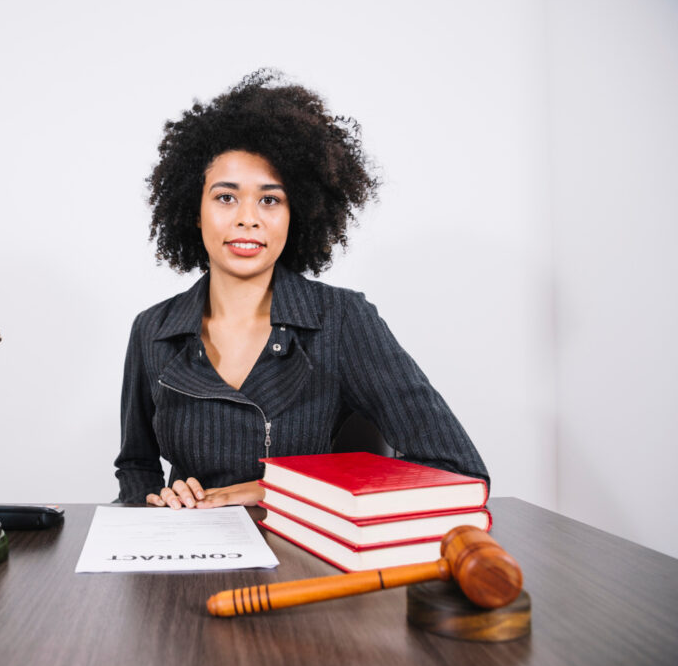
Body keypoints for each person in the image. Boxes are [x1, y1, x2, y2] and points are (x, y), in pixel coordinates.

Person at [114, 70, 489, 510]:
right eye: (225, 197)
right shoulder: (152, 330)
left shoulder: (342, 319)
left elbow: (458, 470)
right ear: (194, 211)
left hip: (307, 560)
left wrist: (273, 491)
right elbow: (137, 465)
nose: (247, 218)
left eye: (270, 200)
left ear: (299, 214)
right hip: (189, 562)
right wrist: (159, 505)